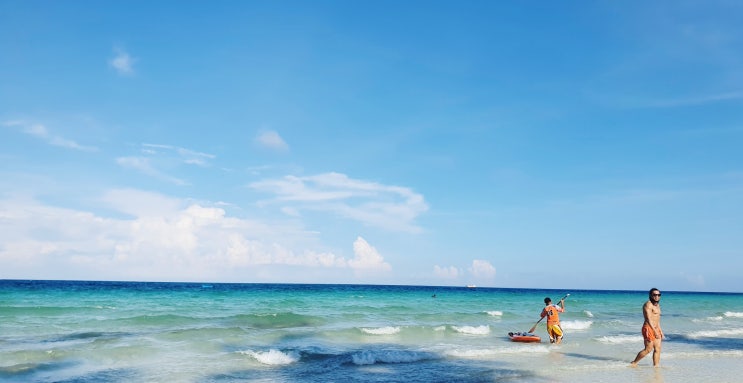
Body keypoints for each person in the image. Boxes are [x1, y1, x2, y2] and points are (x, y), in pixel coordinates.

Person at [631, 288, 664, 367]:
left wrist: (660, 330)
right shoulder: (648, 305)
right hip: (648, 328)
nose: (657, 296)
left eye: (658, 295)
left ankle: (656, 366)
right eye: (654, 295)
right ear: (650, 295)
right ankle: (634, 363)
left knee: (658, 349)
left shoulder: (657, 305)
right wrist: (654, 331)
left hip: (656, 328)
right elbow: (649, 319)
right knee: (648, 349)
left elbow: (657, 319)